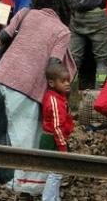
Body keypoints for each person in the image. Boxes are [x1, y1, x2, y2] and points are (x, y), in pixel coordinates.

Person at [0, 0, 75, 201]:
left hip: (3, 77)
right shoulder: (63, 31)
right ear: (63, 8)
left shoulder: (25, 13)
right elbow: (53, 65)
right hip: (30, 89)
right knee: (26, 140)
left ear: (38, 0)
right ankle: (26, 191)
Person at [40, 64, 74, 201]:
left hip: (55, 138)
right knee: (55, 172)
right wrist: (62, 147)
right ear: (52, 83)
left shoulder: (58, 97)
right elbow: (57, 126)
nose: (67, 84)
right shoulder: (54, 100)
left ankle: (53, 198)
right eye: (63, 81)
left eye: (68, 80)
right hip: (53, 140)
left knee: (56, 172)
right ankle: (48, 198)